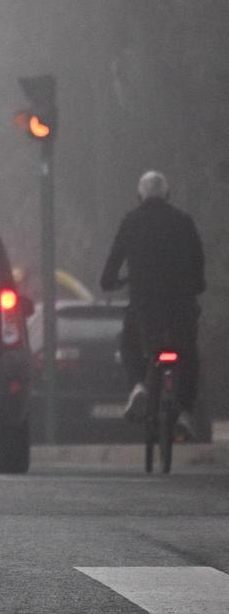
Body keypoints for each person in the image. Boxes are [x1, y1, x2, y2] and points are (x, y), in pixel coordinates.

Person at [99, 170, 205, 437]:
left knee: (129, 344)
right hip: (180, 307)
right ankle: (183, 411)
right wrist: (195, 286)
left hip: (144, 307)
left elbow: (110, 270)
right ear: (167, 195)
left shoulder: (131, 222)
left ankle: (138, 386)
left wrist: (113, 282)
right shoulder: (183, 222)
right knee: (189, 355)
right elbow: (198, 264)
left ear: (139, 196)